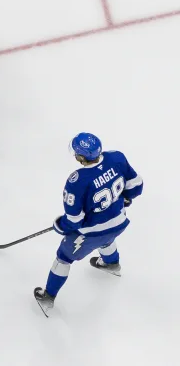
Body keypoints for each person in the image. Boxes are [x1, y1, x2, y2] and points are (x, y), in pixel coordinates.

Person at [34, 133, 143, 316]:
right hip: (119, 222)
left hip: (92, 233)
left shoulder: (77, 180)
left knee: (64, 257)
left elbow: (74, 220)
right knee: (107, 239)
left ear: (81, 157)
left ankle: (48, 297)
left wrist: (60, 226)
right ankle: (112, 264)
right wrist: (126, 198)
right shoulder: (116, 157)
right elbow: (136, 186)